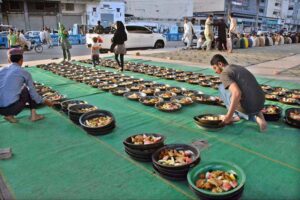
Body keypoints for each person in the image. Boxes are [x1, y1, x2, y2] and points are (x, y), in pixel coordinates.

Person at [210, 54, 267, 132]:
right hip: (261, 102)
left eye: (215, 68)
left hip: (248, 106)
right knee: (247, 92)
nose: (215, 71)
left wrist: (228, 117)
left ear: (220, 64)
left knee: (221, 87)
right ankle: (260, 116)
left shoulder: (224, 73)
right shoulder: (238, 67)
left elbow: (237, 93)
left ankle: (235, 116)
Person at [0, 49, 54, 123]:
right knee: (27, 89)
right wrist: (45, 101)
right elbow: (34, 95)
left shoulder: (1, 70)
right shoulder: (24, 72)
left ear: (9, 60)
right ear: (22, 60)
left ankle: (9, 116)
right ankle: (34, 115)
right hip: (12, 108)